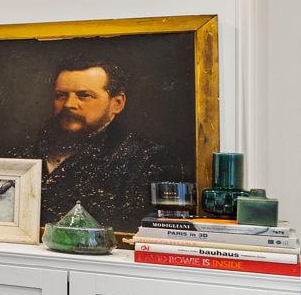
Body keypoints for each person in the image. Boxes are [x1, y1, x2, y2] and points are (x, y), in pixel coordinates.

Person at [10, 60, 180, 231]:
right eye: (61, 95)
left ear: (117, 103)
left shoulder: (147, 159)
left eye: (84, 95)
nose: (69, 104)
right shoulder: (22, 153)